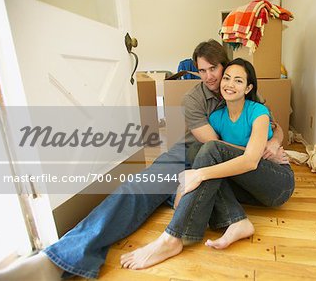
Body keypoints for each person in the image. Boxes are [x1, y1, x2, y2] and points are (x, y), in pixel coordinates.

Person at [0, 41, 287, 280]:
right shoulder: (195, 100)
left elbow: (276, 126)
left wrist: (271, 143)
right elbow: (212, 145)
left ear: (228, 68)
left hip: (218, 166)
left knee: (185, 190)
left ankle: (182, 217)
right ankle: (56, 261)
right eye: (202, 70)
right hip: (187, 155)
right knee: (135, 189)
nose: (211, 77)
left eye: (215, 68)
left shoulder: (246, 95)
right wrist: (253, 148)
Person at [120, 58, 295, 270]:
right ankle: (237, 220)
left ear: (248, 87)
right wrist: (196, 175)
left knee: (211, 152)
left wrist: (198, 175)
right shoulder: (217, 117)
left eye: (238, 81)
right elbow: (218, 156)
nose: (230, 84)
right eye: (227, 78)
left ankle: (172, 238)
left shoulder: (258, 112)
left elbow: (250, 161)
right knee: (200, 152)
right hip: (248, 189)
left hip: (276, 183)